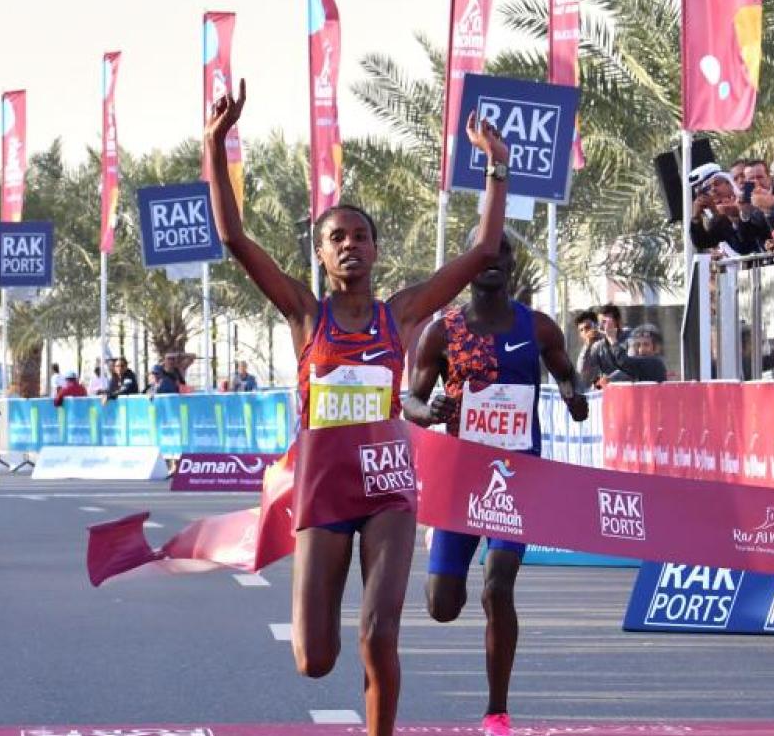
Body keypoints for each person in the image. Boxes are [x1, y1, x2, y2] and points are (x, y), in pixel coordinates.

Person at [205, 78, 507, 736]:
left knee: (379, 632)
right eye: (337, 237)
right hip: (322, 487)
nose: (350, 245)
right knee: (315, 659)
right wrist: (215, 143)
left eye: (361, 236)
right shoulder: (302, 313)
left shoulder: (397, 315)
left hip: (387, 486)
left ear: (375, 250)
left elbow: (483, 251)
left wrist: (496, 166)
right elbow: (233, 239)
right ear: (320, 253)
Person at [402, 234, 588, 736]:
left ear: (510, 264)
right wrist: (429, 410)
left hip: (517, 475)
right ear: (466, 266)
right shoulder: (443, 332)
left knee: (497, 586)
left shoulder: (539, 327)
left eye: (500, 256)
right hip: (459, 477)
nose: (491, 264)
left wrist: (575, 398)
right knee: (443, 606)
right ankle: (438, 543)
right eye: (481, 256)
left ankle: (496, 710)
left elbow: (569, 376)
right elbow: (411, 401)